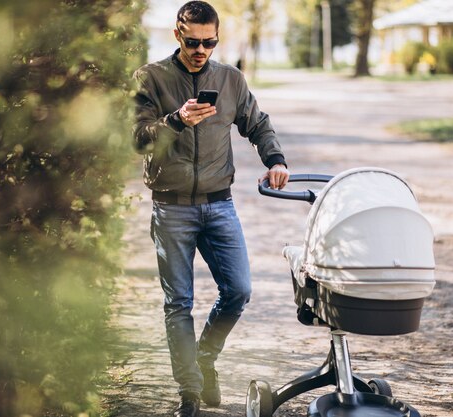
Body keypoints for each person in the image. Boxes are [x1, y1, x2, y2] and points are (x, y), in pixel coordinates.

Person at [132, 2, 289, 416]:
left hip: (220, 205)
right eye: (192, 41)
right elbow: (138, 138)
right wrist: (177, 120)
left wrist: (275, 160)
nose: (201, 49)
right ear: (176, 35)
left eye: (209, 42)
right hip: (172, 208)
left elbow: (257, 123)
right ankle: (189, 391)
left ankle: (204, 359)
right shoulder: (150, 78)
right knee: (178, 304)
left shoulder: (230, 79)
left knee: (239, 291)